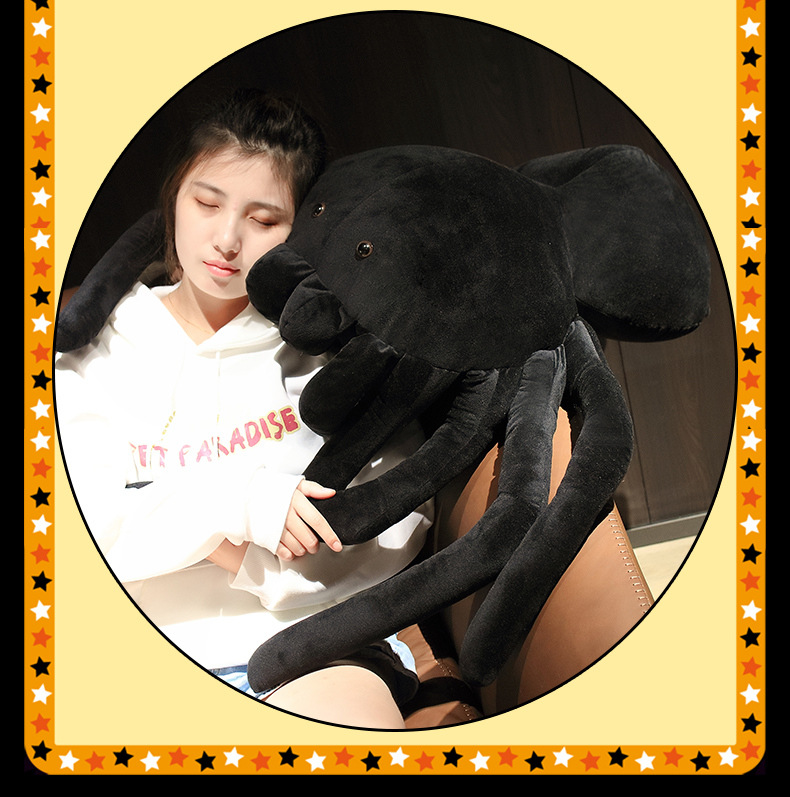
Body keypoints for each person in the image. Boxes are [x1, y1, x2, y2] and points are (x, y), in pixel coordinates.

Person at [54, 89, 432, 729]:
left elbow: (394, 525)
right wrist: (242, 508)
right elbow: (81, 529)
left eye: (263, 219)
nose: (226, 239)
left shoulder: (337, 352)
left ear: (303, 226)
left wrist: (223, 552)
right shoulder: (90, 348)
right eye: (206, 203)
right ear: (173, 198)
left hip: (315, 652)